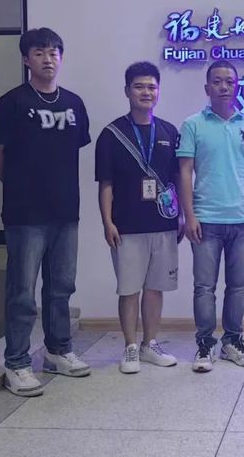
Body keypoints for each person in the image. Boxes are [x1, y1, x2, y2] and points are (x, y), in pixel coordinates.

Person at [0, 28, 91, 397]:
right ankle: (16, 362)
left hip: (66, 211)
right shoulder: (11, 103)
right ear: (26, 59)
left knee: (61, 287)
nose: (48, 58)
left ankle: (58, 351)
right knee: (22, 293)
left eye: (54, 52)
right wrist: (19, 185)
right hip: (25, 215)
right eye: (40, 52)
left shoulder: (74, 104)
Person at [177, 60, 244, 373]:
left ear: (237, 87)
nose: (224, 87)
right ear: (207, 87)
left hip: (243, 219)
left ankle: (232, 341)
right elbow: (184, 172)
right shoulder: (193, 125)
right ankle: (205, 344)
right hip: (206, 219)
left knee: (238, 286)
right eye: (217, 81)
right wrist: (188, 215)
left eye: (229, 82)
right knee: (204, 287)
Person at [95, 61, 183, 374]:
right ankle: (130, 347)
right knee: (129, 289)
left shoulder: (169, 132)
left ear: (158, 91)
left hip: (163, 223)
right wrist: (107, 222)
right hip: (126, 226)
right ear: (127, 91)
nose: (146, 92)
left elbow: (177, 178)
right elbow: (106, 184)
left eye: (151, 87)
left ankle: (150, 344)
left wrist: (180, 216)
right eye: (139, 86)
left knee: (155, 288)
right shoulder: (112, 134)